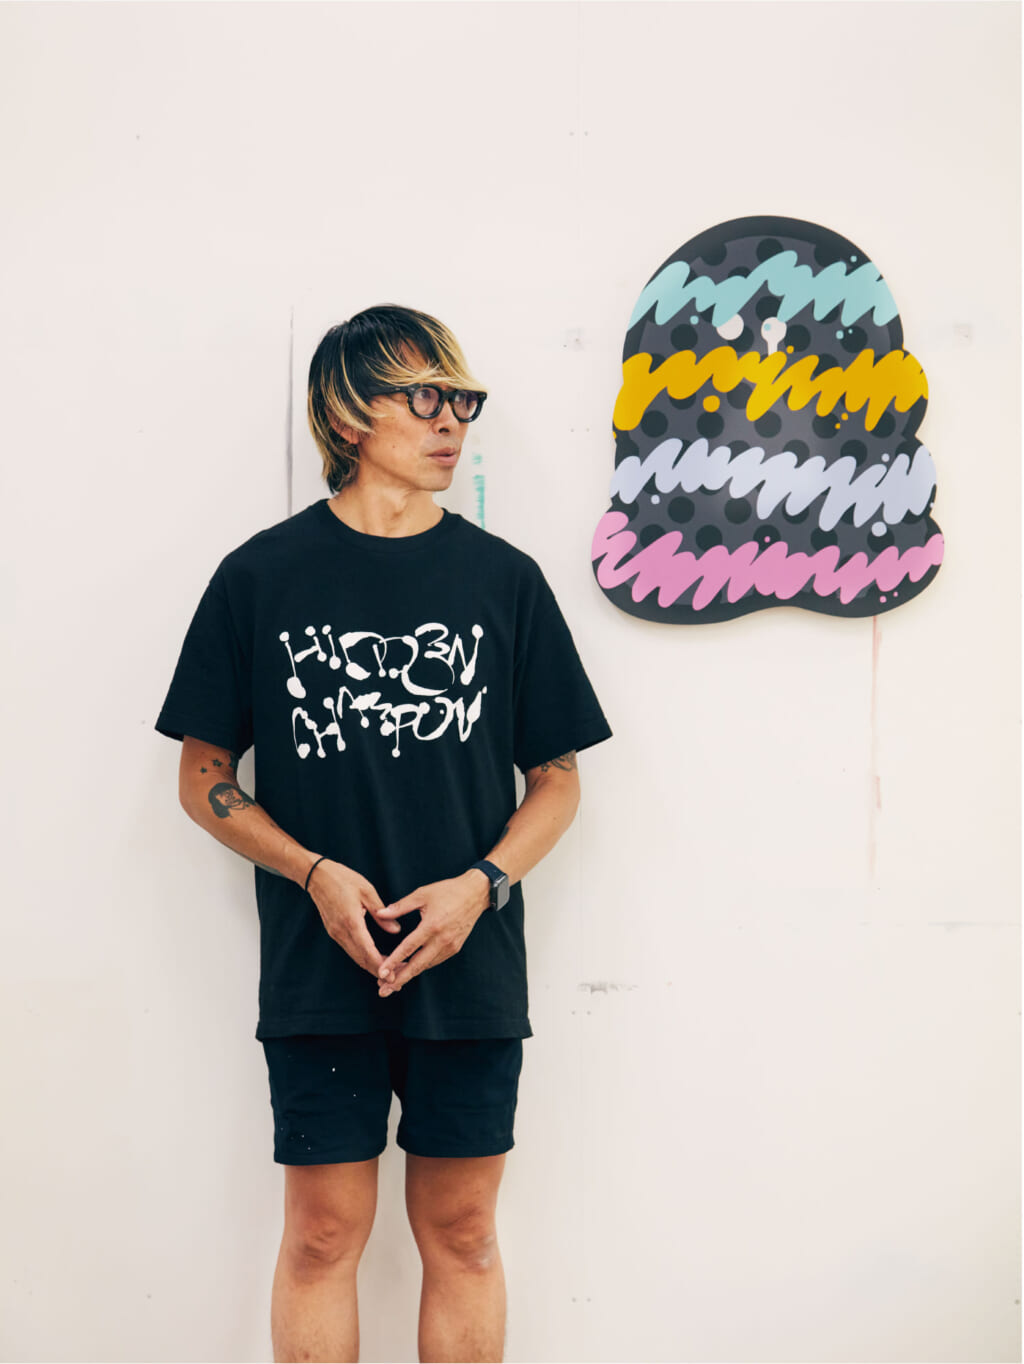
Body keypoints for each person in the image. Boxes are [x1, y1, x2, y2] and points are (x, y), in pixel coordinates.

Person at [155, 304, 612, 1363]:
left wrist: (481, 884)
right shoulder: (261, 577)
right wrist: (311, 871)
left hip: (470, 963)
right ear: (347, 414)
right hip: (322, 964)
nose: (452, 422)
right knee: (322, 1235)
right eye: (425, 397)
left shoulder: (503, 580)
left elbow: (556, 781)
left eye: (463, 400)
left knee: (465, 1234)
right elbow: (202, 777)